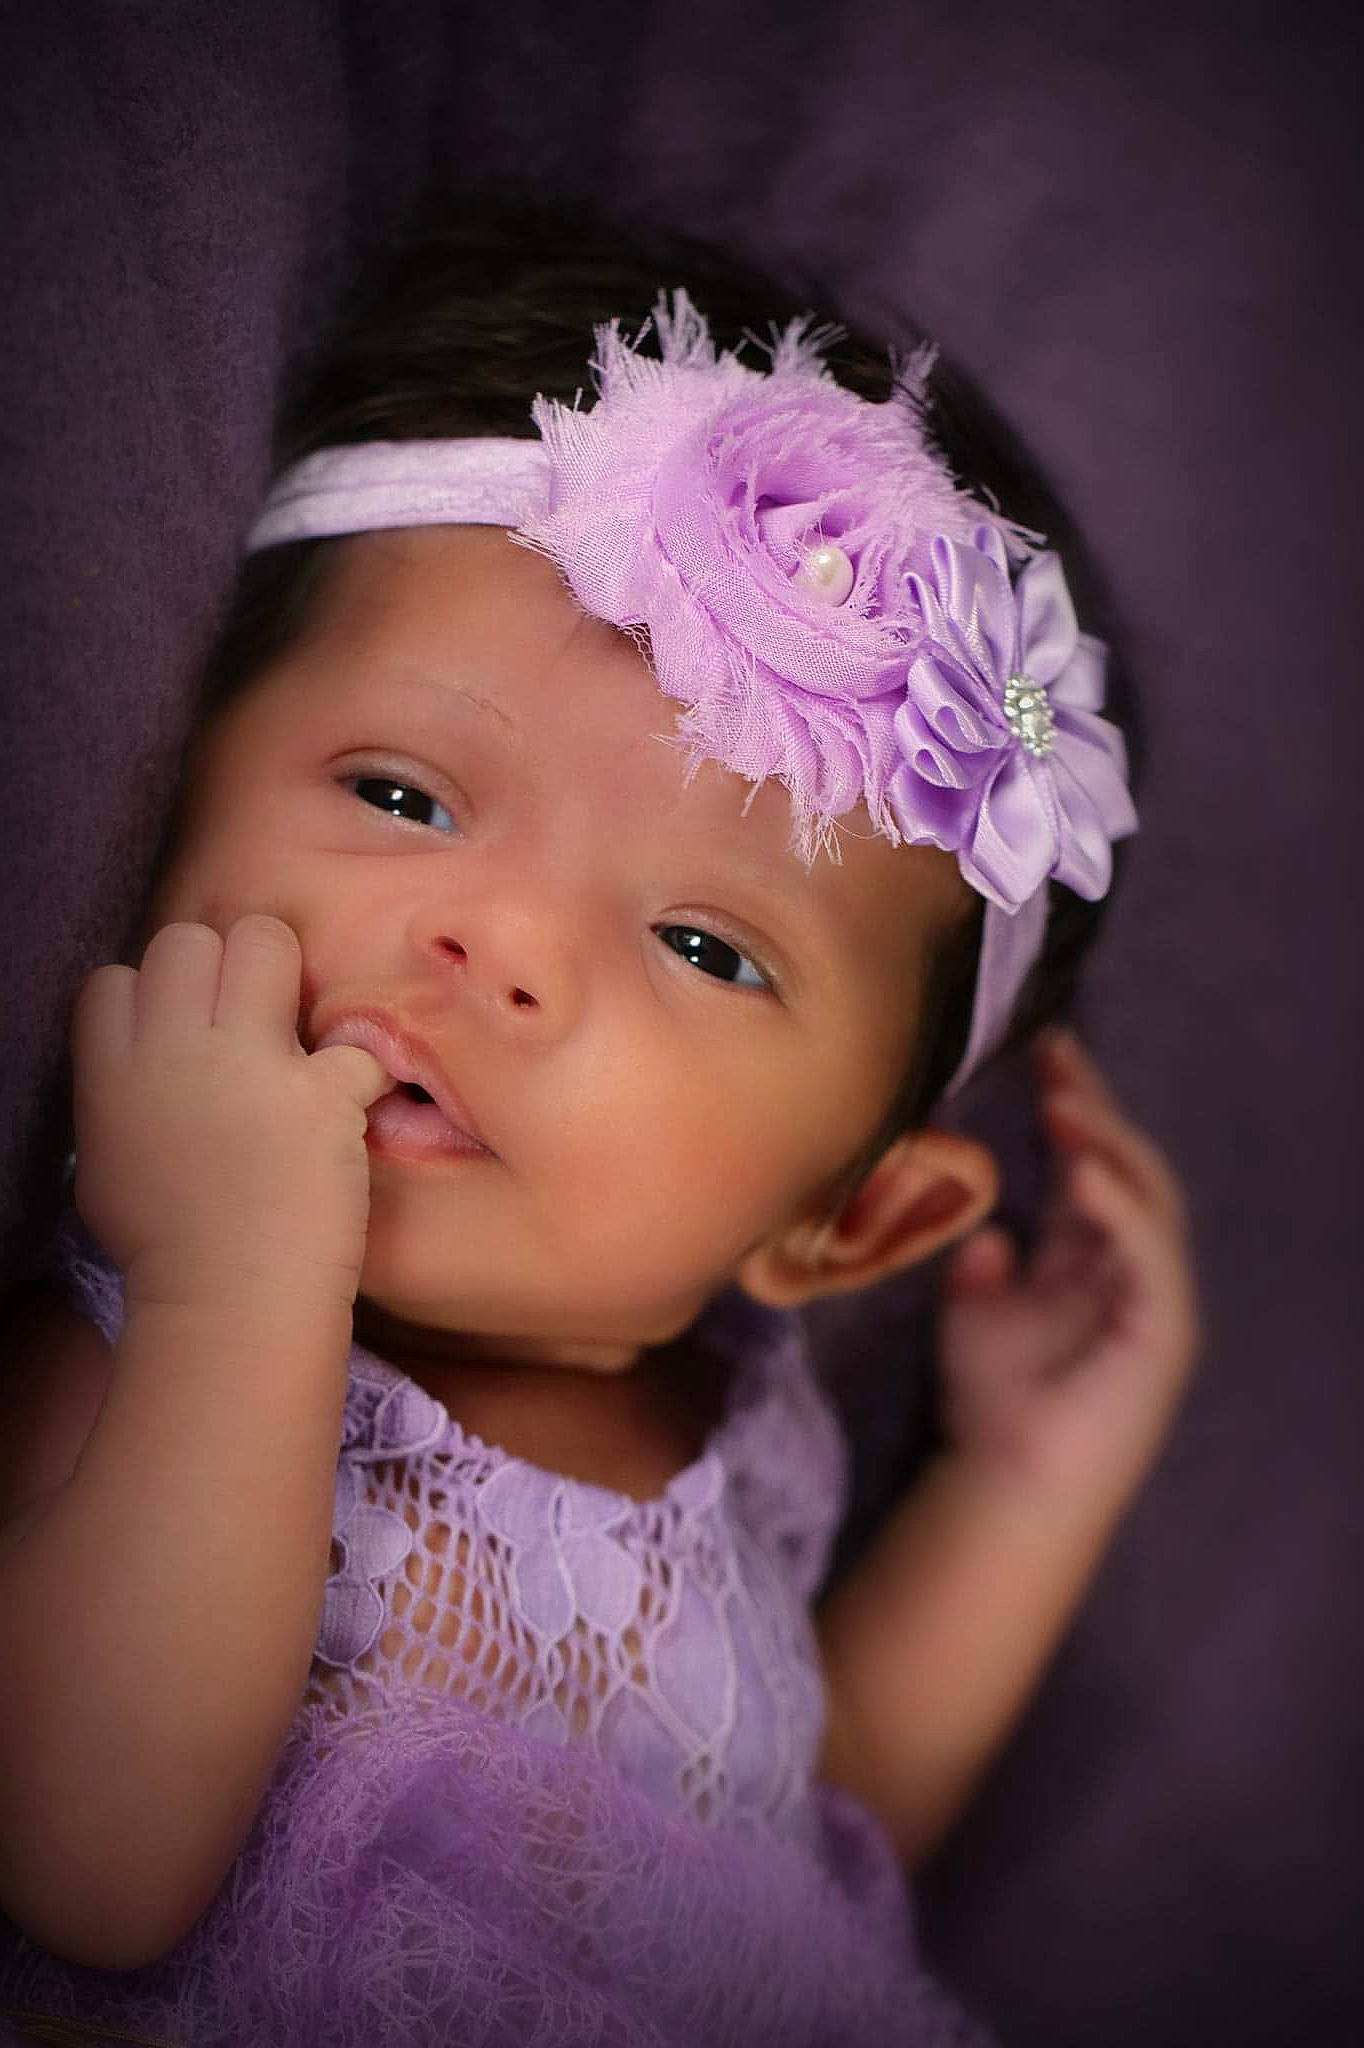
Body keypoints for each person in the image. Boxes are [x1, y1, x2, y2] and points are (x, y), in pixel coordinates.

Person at [0, 189, 1199, 2046]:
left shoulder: (746, 1450)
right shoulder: (151, 1325)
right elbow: (90, 1850)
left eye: (709, 947)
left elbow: (800, 1852)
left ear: (846, 1228)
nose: (500, 945)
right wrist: (231, 1279)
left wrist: (1027, 1488)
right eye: (403, 795)